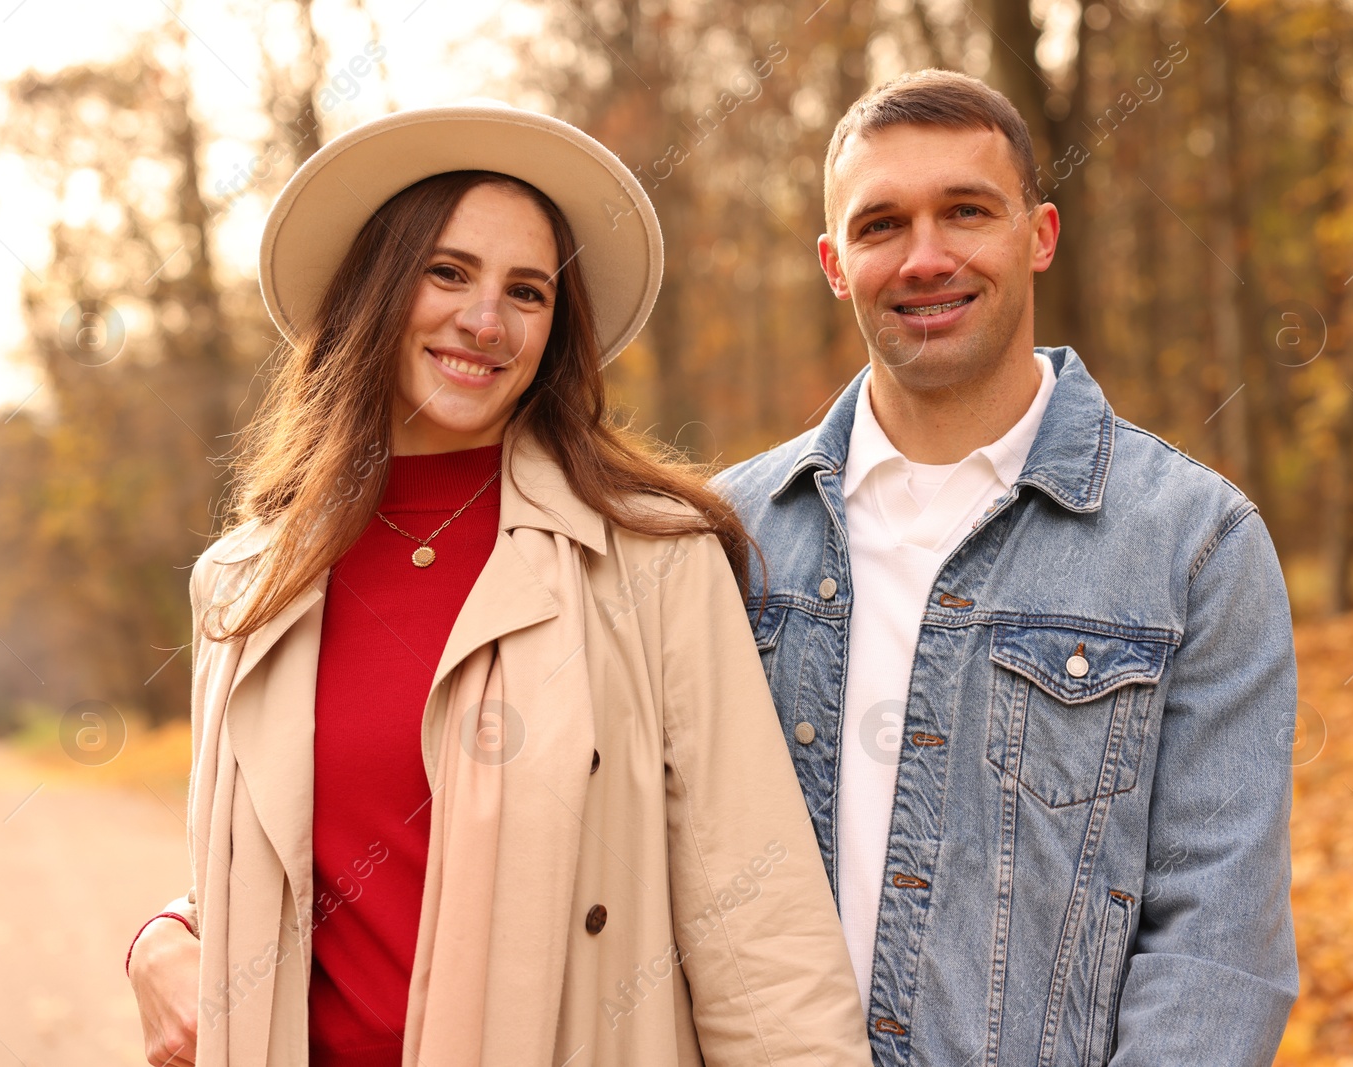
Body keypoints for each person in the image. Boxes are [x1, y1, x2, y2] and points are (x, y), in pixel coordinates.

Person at [124, 103, 872, 1067]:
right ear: (375, 291)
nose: (485, 320)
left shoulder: (653, 562)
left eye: (528, 291)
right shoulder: (244, 585)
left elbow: (757, 917)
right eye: (447, 272)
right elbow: (276, 871)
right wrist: (157, 938)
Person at [714, 70, 1299, 1066]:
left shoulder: (1194, 544)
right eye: (881, 224)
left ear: (1039, 234)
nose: (925, 257)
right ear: (832, 262)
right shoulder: (723, 536)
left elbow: (1216, 944)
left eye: (967, 211)